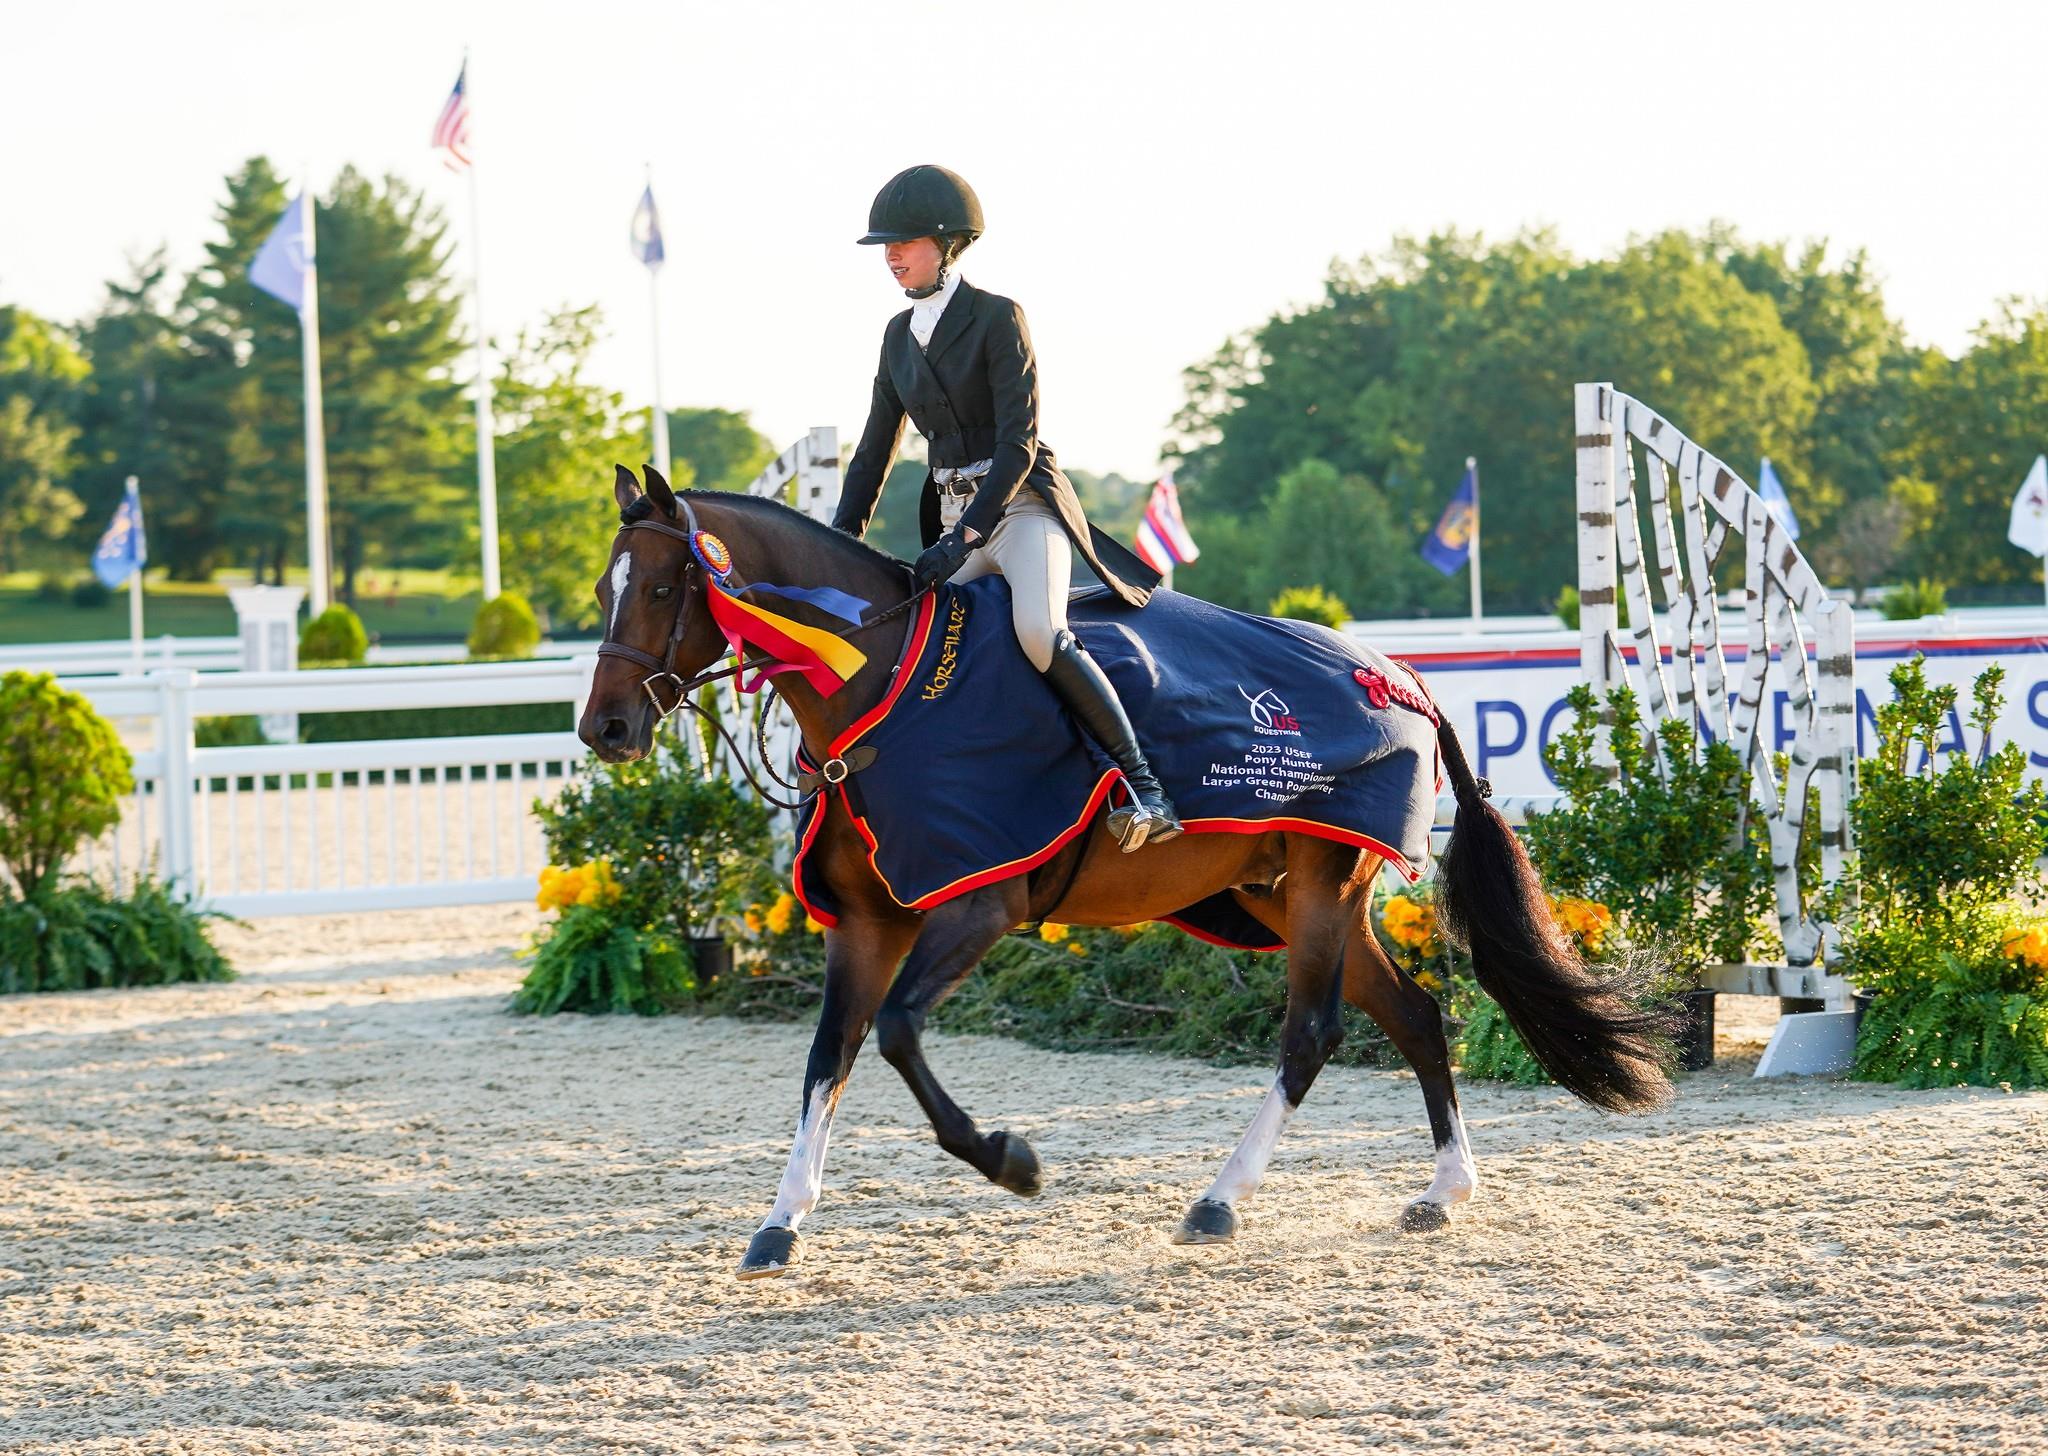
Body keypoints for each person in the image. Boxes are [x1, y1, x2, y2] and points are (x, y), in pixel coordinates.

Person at [831, 165, 1181, 851]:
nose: (891, 257)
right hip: (955, 519)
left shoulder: (997, 317)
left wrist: (966, 536)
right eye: (886, 247)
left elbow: (1018, 442)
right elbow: (873, 452)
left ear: (947, 243)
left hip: (1018, 509)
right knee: (912, 651)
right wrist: (837, 545)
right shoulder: (898, 337)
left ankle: (1147, 789)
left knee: (1035, 632)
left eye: (903, 243)